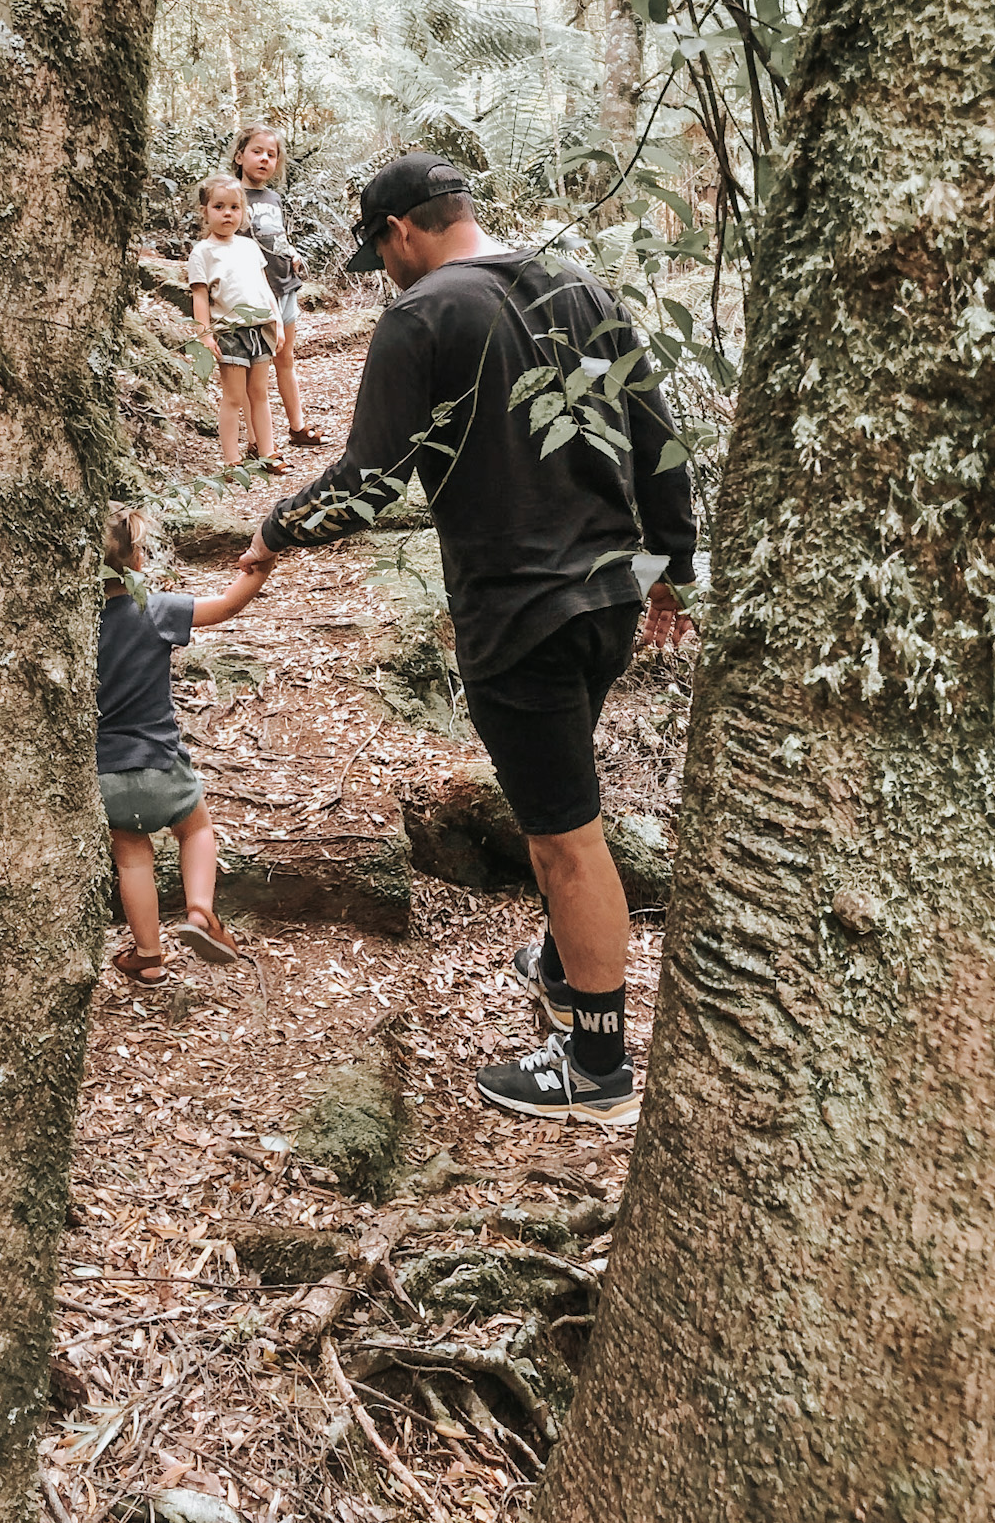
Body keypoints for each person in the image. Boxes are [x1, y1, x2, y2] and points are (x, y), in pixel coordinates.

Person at [239, 152, 697, 1125]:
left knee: (568, 837)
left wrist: (276, 529)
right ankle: (570, 961)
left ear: (404, 230)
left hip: (519, 611)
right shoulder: (581, 284)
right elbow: (657, 434)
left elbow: (370, 478)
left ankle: (596, 1064)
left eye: (381, 251)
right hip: (612, 595)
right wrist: (678, 565)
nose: (385, 270)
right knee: (558, 802)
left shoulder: (424, 315)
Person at [98, 507, 270, 983]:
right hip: (160, 760)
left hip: (106, 771)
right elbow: (225, 608)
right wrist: (259, 571)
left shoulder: (76, 628)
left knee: (131, 855)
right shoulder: (153, 609)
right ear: (135, 561)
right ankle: (199, 912)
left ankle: (148, 957)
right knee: (195, 829)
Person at [229, 122, 327, 451]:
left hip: (285, 286)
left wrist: (293, 253)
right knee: (256, 370)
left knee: (286, 361)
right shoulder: (232, 196)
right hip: (254, 295)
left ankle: (297, 427)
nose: (264, 159)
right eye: (257, 152)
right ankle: (257, 441)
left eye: (272, 155)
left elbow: (278, 237)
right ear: (240, 156)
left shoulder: (273, 197)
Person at [187, 172, 288, 474]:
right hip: (230, 332)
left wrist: (278, 321)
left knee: (259, 393)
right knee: (232, 397)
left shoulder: (248, 247)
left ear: (242, 211)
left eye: (234, 207)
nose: (227, 214)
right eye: (219, 207)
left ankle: (267, 452)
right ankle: (232, 460)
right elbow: (200, 297)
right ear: (205, 211)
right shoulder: (202, 252)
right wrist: (204, 334)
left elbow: (263, 286)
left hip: (261, 328)